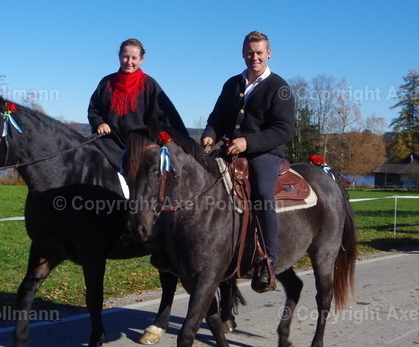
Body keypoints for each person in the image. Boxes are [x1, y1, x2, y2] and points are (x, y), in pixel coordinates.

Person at [201, 30, 295, 291]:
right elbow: (216, 118)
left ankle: (268, 260)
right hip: (229, 148)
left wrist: (249, 143)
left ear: (268, 54)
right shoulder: (232, 83)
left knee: (263, 194)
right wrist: (209, 136)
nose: (254, 57)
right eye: (249, 52)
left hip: (264, 153)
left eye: (259, 52)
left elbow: (284, 130)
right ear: (243, 54)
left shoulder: (280, 87)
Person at [87, 38, 188, 172]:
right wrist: (99, 123)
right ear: (119, 57)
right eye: (125, 57)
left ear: (141, 59)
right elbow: (93, 109)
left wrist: (184, 144)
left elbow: (167, 116)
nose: (129, 62)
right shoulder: (106, 83)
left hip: (139, 146)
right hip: (108, 141)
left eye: (134, 58)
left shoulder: (149, 84)